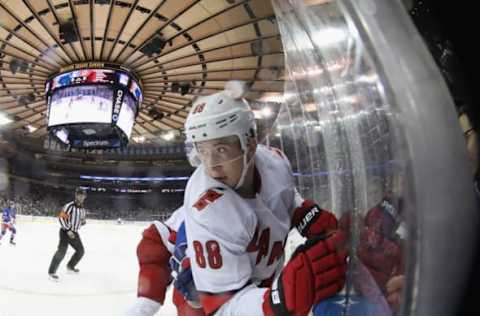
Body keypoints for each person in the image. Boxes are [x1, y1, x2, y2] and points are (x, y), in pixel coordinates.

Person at [128, 82, 347, 316]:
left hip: (257, 284)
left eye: (221, 149)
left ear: (250, 144)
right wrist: (277, 301)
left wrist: (303, 213)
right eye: (202, 151)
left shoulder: (274, 162)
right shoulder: (210, 209)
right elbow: (221, 307)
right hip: (208, 302)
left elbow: (284, 195)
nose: (211, 165)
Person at [47, 187, 87, 281]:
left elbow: (81, 220)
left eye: (83, 195)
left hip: (74, 233)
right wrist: (68, 230)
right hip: (65, 232)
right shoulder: (69, 206)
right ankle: (52, 272)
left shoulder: (82, 209)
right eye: (79, 195)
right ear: (76, 195)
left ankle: (70, 266)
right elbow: (61, 218)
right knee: (61, 251)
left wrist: (83, 222)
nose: (81, 197)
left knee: (80, 251)